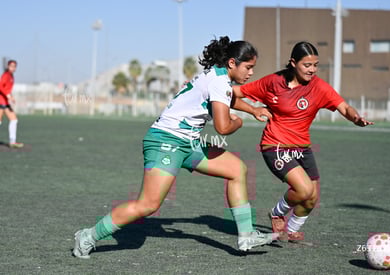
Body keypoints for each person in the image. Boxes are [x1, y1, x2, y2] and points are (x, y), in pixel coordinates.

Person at [72, 36, 277, 259]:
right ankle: (88, 236)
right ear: (231, 63)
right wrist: (239, 121)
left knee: (237, 170)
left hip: (188, 142)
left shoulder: (219, 78)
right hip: (165, 141)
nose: (250, 73)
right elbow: (223, 128)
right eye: (248, 67)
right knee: (148, 204)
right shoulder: (220, 82)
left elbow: (228, 98)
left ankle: (246, 235)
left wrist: (253, 110)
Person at [232, 41, 373, 243]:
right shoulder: (273, 82)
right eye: (307, 65)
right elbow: (234, 93)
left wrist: (356, 118)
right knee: (304, 189)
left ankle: (292, 229)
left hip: (302, 148)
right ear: (293, 63)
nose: (312, 70)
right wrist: (251, 109)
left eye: (315, 65)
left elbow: (344, 107)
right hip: (275, 145)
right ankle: (276, 213)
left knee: (312, 197)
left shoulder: (319, 87)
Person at [0, 60, 24, 148]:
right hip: (1, 101)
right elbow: (0, 86)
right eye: (11, 66)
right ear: (8, 66)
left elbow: (8, 89)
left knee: (14, 120)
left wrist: (11, 96)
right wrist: (8, 96)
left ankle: (12, 142)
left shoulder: (11, 76)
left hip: (5, 102)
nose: (13, 67)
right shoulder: (5, 75)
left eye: (14, 66)